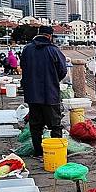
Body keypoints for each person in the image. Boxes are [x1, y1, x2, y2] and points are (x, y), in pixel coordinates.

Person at [20, 25, 67, 158]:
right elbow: (63, 70)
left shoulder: (27, 49)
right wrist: (53, 79)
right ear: (50, 36)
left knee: (35, 125)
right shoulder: (53, 50)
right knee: (55, 125)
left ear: (38, 34)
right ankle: (55, 153)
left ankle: (38, 152)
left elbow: (23, 67)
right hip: (50, 94)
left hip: (32, 94)